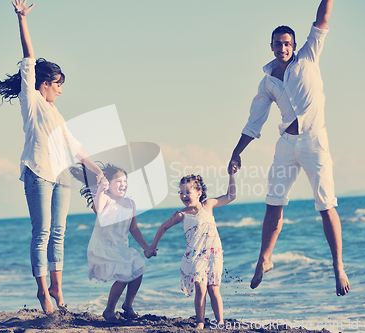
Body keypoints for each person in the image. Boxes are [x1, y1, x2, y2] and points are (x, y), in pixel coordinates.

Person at [228, 0, 350, 296]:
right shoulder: (267, 82)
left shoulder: (308, 57)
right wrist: (237, 151)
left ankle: (338, 266)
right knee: (273, 203)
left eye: (287, 43)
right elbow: (254, 121)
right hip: (286, 145)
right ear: (271, 47)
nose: (283, 47)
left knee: (326, 205)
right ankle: (264, 259)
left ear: (293, 45)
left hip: (314, 142)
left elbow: (322, 17)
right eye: (278, 44)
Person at [0, 0, 105, 314]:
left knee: (59, 233)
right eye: (58, 85)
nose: (61, 91)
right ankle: (43, 292)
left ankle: (57, 287)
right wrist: (22, 18)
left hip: (61, 176)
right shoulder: (33, 102)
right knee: (41, 232)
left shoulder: (56, 114)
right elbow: (28, 56)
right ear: (44, 84)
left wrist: (97, 171)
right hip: (38, 172)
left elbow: (75, 147)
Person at [145, 171, 237, 329]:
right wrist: (153, 246)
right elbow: (163, 227)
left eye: (187, 192)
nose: (183, 195)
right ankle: (200, 321)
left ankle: (220, 322)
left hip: (213, 254)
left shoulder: (208, 205)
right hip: (195, 256)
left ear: (199, 193)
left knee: (214, 288)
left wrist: (231, 175)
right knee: (200, 288)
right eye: (181, 192)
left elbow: (231, 195)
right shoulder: (181, 215)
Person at [73, 163, 150, 322]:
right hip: (104, 247)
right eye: (119, 182)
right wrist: (101, 188)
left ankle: (128, 306)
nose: (123, 185)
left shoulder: (130, 203)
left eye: (125, 182)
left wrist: (146, 247)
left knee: (139, 267)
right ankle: (109, 311)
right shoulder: (106, 199)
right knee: (124, 273)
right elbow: (98, 209)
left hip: (121, 247)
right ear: (109, 184)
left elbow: (134, 229)